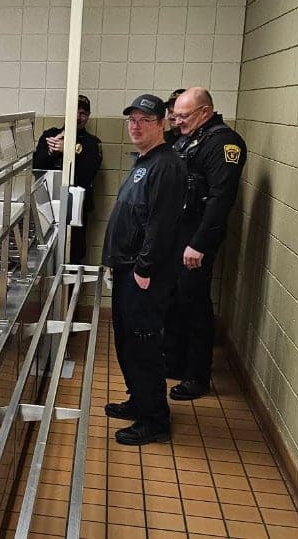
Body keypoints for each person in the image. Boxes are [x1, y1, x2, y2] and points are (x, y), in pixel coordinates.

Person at [102, 94, 185, 446]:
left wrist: (144, 266)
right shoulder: (146, 161)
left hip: (143, 274)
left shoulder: (166, 165)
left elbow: (162, 224)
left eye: (144, 120)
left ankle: (154, 420)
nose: (136, 126)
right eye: (131, 120)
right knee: (127, 340)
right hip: (129, 269)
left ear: (161, 123)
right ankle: (140, 399)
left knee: (143, 344)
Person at [164, 87, 248, 401]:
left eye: (183, 116)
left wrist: (199, 244)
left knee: (194, 304)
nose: (177, 121)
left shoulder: (224, 143)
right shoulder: (191, 137)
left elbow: (220, 199)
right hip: (179, 231)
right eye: (175, 115)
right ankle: (175, 361)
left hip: (196, 236)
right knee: (175, 298)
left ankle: (198, 376)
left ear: (205, 111)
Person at [32, 94, 103, 264]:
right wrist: (52, 152)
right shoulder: (50, 135)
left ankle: (69, 291)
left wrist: (71, 151)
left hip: (76, 211)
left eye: (83, 113)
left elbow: (89, 173)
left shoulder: (92, 143)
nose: (78, 117)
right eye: (75, 111)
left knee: (73, 256)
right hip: (46, 207)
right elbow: (36, 167)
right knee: (43, 256)